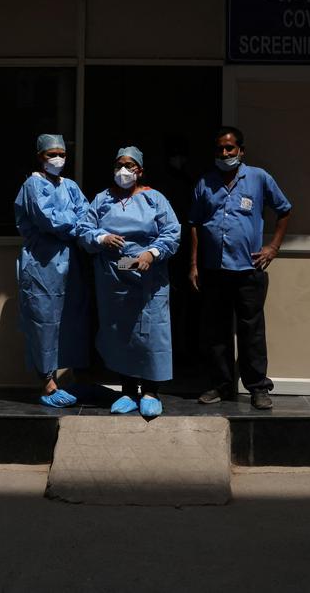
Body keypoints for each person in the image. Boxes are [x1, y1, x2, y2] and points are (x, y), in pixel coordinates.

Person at [188, 126, 292, 410]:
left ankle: (258, 387)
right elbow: (195, 224)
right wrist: (194, 263)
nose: (225, 153)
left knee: (252, 332)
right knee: (216, 333)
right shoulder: (205, 182)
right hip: (214, 269)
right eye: (220, 149)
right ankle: (222, 386)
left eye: (230, 148)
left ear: (241, 151)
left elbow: (284, 210)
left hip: (249, 269)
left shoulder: (258, 178)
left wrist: (274, 247)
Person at [79, 146, 181, 418]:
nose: (123, 171)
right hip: (115, 274)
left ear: (140, 170)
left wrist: (151, 253)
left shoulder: (154, 199)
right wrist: (101, 238)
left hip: (149, 274)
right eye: (119, 165)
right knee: (121, 332)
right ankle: (127, 391)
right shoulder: (102, 200)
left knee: (150, 331)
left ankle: (150, 390)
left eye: (129, 165)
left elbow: (172, 232)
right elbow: (84, 229)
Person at [12, 133, 89, 408]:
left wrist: (80, 225)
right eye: (50, 154)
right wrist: (76, 225)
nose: (57, 159)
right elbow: (49, 220)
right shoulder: (33, 184)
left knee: (67, 321)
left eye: (61, 154)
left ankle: (66, 378)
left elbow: (87, 214)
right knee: (43, 321)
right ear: (39, 157)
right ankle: (47, 385)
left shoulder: (69, 186)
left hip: (68, 263)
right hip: (42, 263)